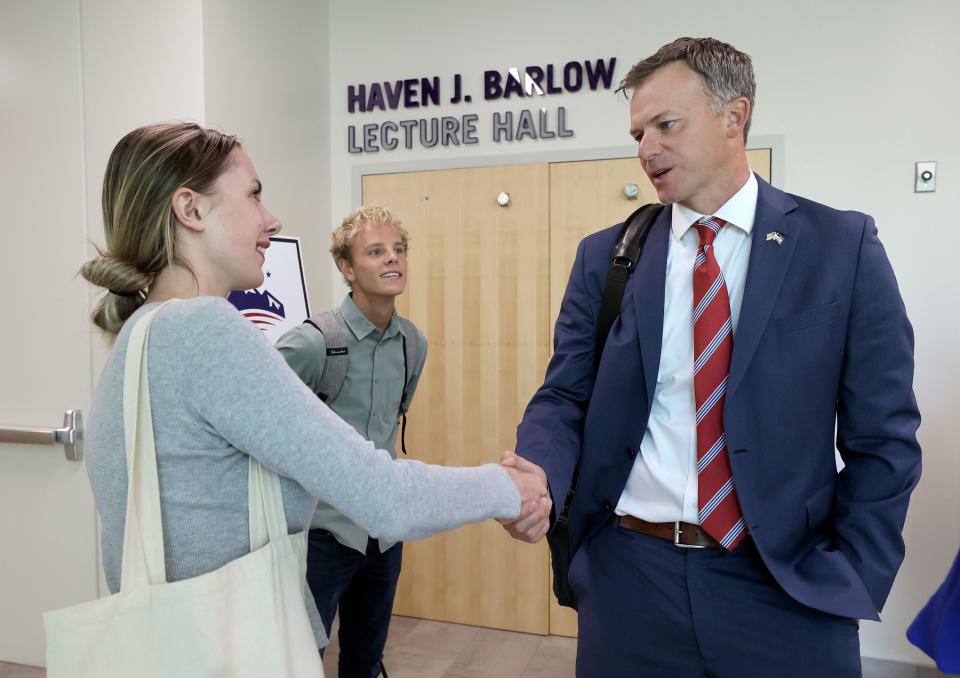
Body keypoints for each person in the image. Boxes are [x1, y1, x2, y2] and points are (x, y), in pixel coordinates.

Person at [501, 37, 922, 677]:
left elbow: (885, 435)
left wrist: (852, 569)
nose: (646, 149)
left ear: (734, 118)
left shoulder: (840, 246)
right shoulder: (607, 257)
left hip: (787, 585)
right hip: (631, 581)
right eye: (639, 131)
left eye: (666, 125)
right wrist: (540, 475)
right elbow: (565, 396)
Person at [81, 121, 548, 652]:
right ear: (191, 210)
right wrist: (509, 488)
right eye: (254, 195)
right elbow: (383, 496)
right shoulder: (206, 329)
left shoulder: (138, 331)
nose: (271, 219)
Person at [276, 205, 425, 677]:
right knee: (298, 659)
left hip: (383, 532)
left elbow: (390, 424)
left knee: (365, 660)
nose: (392, 260)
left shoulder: (412, 343)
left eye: (398, 250)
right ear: (346, 268)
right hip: (320, 535)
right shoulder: (312, 343)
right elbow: (258, 420)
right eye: (376, 251)